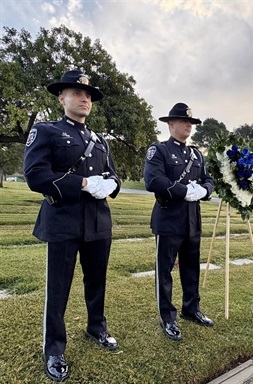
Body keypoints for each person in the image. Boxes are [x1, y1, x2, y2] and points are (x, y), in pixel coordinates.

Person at [24, 70, 121, 382]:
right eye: (77, 92)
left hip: (98, 222)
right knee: (59, 288)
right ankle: (54, 348)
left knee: (96, 282)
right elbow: (35, 175)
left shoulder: (100, 140)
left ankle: (96, 328)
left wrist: (111, 186)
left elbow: (113, 176)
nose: (84, 98)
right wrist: (81, 182)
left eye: (89, 95)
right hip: (63, 220)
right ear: (61, 97)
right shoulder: (47, 131)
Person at [143, 103, 215, 342]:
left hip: (192, 220)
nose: (188, 126)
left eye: (191, 123)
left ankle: (191, 308)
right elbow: (153, 180)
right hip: (168, 219)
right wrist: (184, 190)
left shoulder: (196, 154)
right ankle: (168, 317)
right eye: (184, 122)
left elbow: (208, 180)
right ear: (170, 124)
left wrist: (204, 191)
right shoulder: (159, 150)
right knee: (165, 271)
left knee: (191, 268)